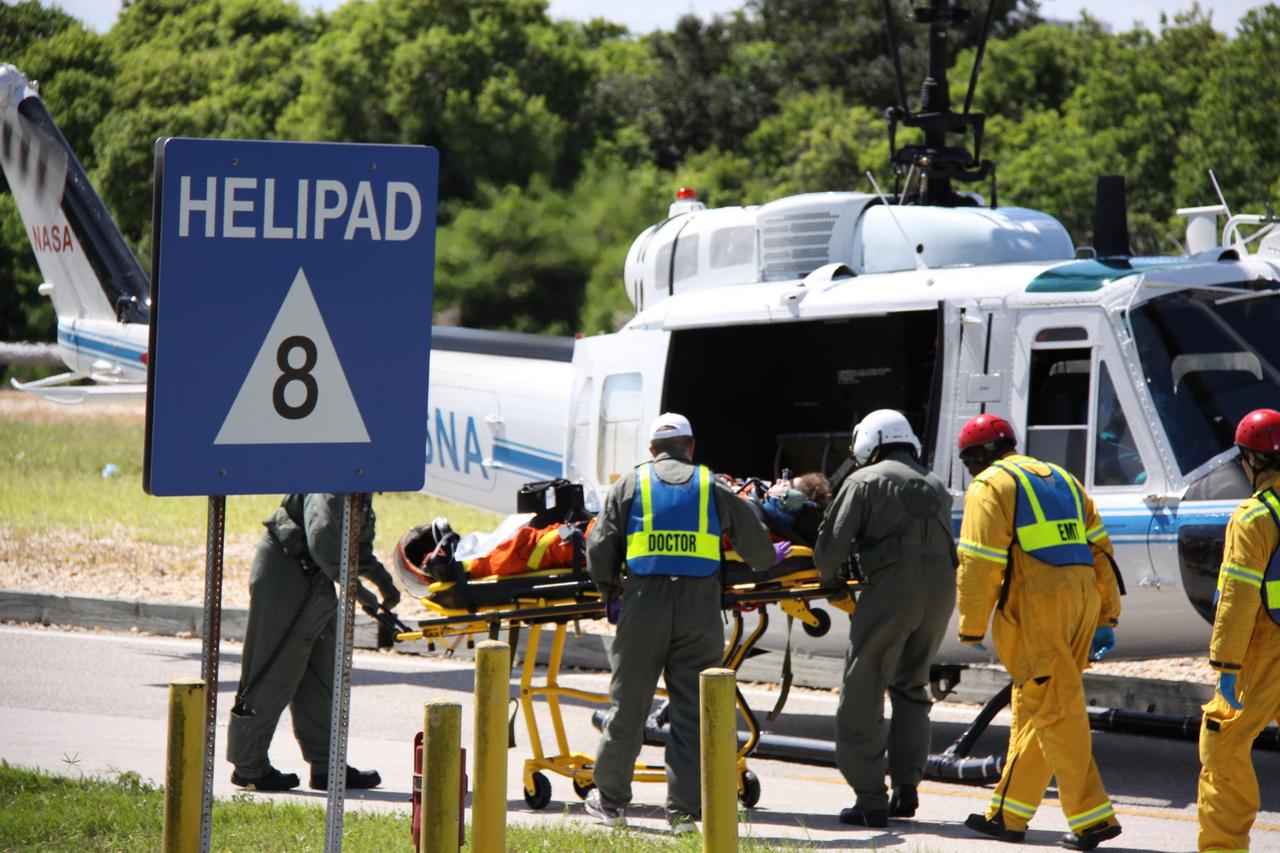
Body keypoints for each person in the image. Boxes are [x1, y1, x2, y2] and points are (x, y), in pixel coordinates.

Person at [583, 412, 778, 833]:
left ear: (652, 450)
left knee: (629, 704)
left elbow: (599, 547)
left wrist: (608, 592)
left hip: (643, 607)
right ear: (691, 446)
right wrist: (769, 556)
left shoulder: (630, 484)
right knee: (692, 711)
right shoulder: (713, 485)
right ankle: (686, 815)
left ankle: (612, 802)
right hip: (699, 613)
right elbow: (760, 552)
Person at [954, 414, 1124, 851]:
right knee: (1039, 707)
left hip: (1036, 607)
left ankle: (1092, 818)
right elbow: (1101, 549)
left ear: (976, 457)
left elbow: (979, 560)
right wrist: (1107, 615)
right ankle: (1009, 815)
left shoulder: (990, 485)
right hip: (1080, 602)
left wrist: (972, 624)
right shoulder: (1064, 480)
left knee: (1055, 709)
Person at [811, 409, 956, 828]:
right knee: (912, 686)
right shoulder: (934, 484)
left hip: (893, 588)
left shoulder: (863, 481)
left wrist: (830, 581)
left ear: (868, 441)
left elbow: (830, 550)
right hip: (940, 592)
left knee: (864, 687)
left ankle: (870, 799)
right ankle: (907, 789)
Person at [227, 493, 400, 791]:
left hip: (317, 577)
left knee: (320, 676)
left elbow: (352, 545)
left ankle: (327, 766)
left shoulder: (361, 484)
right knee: (274, 670)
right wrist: (358, 590)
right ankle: (249, 766)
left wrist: (382, 580)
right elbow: (323, 541)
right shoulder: (333, 473)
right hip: (287, 572)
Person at [1197, 408, 1280, 852]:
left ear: (1252, 460)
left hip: (1265, 648)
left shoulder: (1254, 517)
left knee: (1224, 747)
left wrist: (1226, 665)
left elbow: (1238, 597)